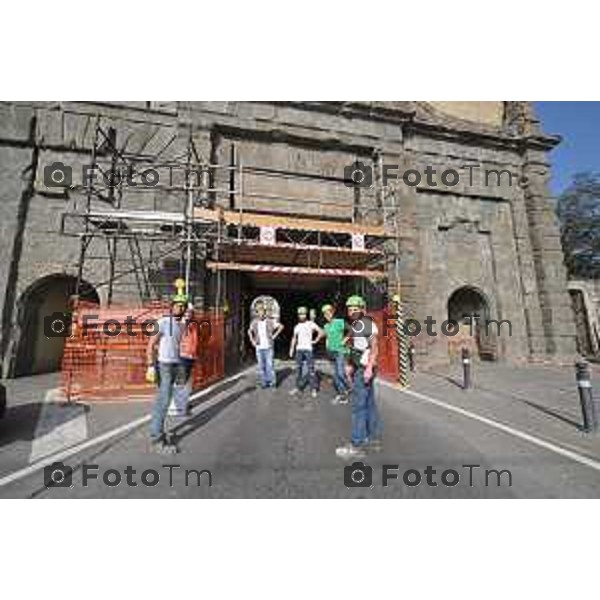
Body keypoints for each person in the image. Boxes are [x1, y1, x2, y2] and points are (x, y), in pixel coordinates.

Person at [336, 295, 382, 458]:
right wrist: (349, 364)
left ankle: (356, 443)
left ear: (362, 309)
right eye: (350, 309)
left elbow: (374, 347)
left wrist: (369, 368)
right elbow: (355, 348)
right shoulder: (356, 325)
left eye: (355, 308)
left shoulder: (367, 324)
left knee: (358, 406)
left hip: (365, 368)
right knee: (369, 403)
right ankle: (373, 437)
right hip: (360, 366)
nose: (352, 311)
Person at [146, 293, 191, 450]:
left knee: (163, 399)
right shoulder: (163, 322)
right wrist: (151, 365)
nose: (180, 308)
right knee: (163, 401)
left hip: (174, 365)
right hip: (164, 365)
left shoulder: (180, 325)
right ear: (171, 307)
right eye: (177, 305)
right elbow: (151, 344)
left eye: (183, 306)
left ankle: (156, 431)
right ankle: (157, 439)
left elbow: (176, 346)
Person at [289, 306, 324, 398]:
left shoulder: (311, 324)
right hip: (299, 350)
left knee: (311, 369)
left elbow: (321, 331)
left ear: (306, 314)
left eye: (303, 313)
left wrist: (315, 340)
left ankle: (313, 389)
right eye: (300, 314)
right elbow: (294, 338)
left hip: (308, 349)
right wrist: (291, 349)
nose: (302, 315)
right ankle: (298, 387)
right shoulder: (297, 326)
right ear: (298, 315)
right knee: (298, 369)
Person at [248, 302, 283, 389]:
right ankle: (264, 382)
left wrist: (274, 335)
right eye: (259, 311)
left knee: (270, 365)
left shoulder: (270, 321)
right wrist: (252, 340)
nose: (261, 313)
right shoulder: (255, 322)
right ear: (257, 313)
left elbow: (281, 326)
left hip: (268, 347)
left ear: (265, 312)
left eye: (262, 311)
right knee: (261, 366)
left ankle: (272, 382)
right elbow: (249, 331)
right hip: (259, 347)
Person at [321, 303, 351, 404]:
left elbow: (351, 330)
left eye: (328, 313)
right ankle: (342, 394)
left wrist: (345, 340)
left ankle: (349, 387)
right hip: (331, 352)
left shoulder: (339, 322)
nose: (326, 315)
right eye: (324, 314)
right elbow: (327, 338)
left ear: (332, 312)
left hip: (340, 351)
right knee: (335, 375)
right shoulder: (326, 326)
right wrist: (327, 347)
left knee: (340, 374)